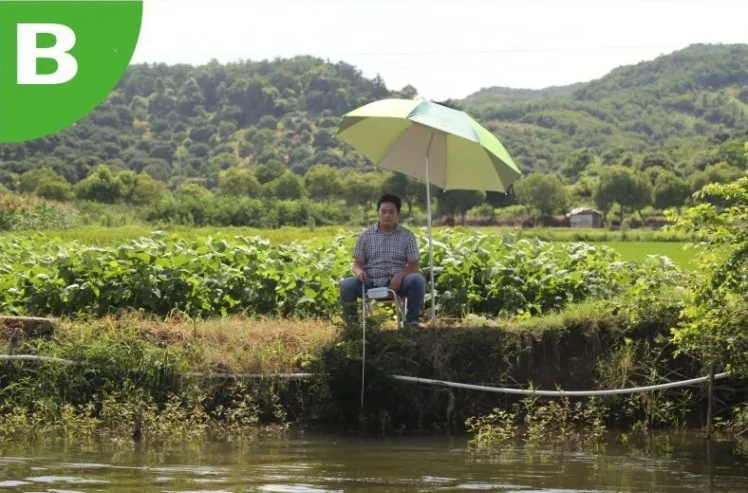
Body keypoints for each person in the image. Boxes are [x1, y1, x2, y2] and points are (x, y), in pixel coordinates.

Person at [339, 193, 426, 327]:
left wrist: (400, 275)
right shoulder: (365, 236)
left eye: (391, 212)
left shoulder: (407, 236)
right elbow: (357, 263)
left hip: (398, 284)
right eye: (383, 211)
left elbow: (414, 265)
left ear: (397, 214)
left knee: (417, 279)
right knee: (347, 285)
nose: (387, 215)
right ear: (378, 213)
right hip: (370, 282)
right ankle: (352, 326)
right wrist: (359, 272)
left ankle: (411, 322)